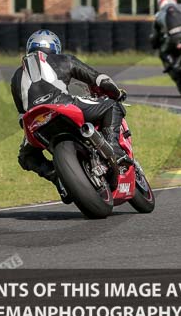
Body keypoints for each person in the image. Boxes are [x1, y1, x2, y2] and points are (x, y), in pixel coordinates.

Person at [10, 30, 129, 198]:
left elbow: (21, 117)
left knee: (25, 156)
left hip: (36, 122)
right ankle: (114, 148)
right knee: (111, 106)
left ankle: (56, 176)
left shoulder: (16, 76)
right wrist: (117, 93)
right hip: (63, 105)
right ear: (55, 47)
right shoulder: (63, 59)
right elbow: (100, 80)